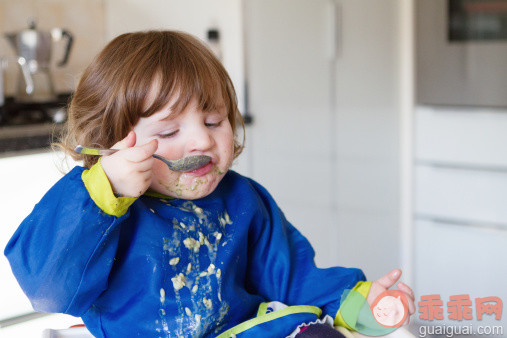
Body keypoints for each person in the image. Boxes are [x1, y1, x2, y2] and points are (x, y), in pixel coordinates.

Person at [4, 30, 415, 338]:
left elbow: (295, 277)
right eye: (168, 132)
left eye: (214, 122)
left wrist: (360, 303)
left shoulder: (242, 200)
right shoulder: (94, 205)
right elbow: (47, 289)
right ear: (110, 142)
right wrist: (103, 189)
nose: (202, 140)